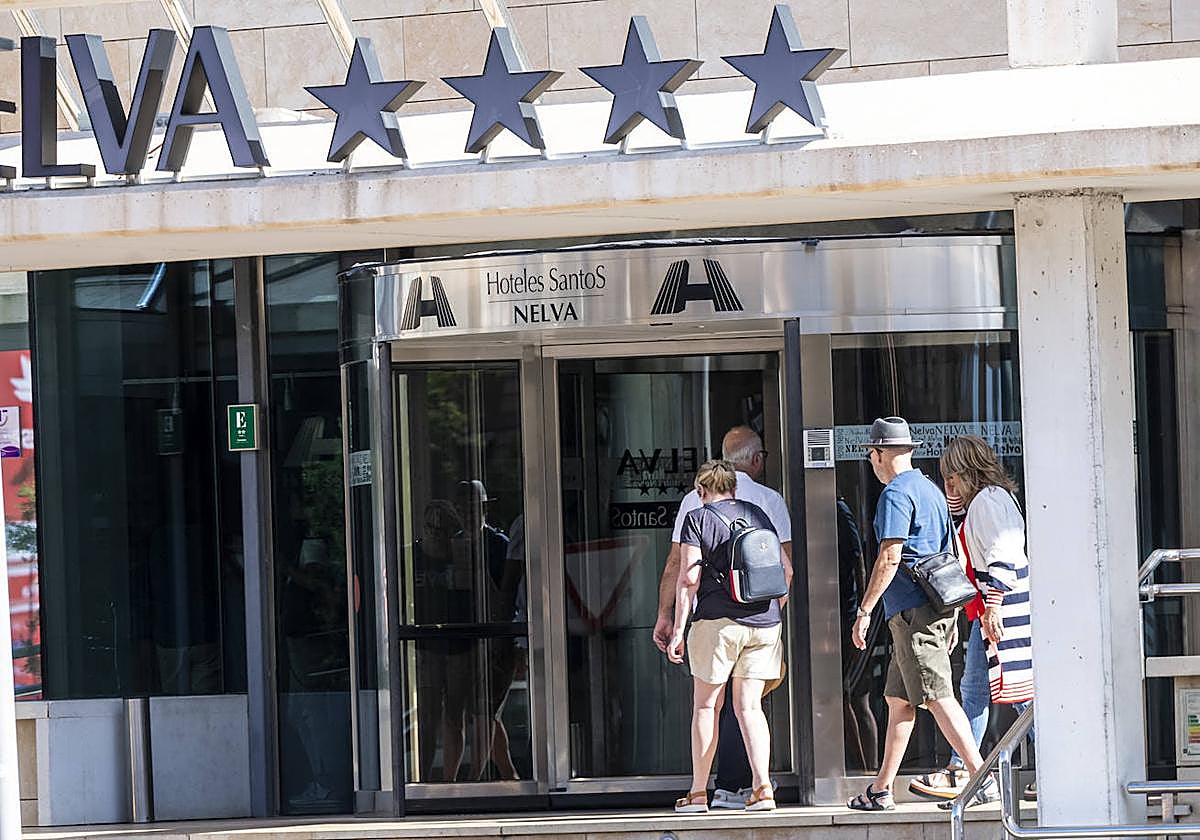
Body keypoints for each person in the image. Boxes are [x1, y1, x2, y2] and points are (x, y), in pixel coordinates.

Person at [846, 417, 998, 811]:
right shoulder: (930, 490)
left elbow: (890, 555)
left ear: (880, 454)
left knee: (936, 696)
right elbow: (953, 554)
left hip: (913, 614)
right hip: (933, 608)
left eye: (871, 454)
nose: (871, 462)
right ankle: (881, 789)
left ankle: (979, 778)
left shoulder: (896, 494)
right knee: (900, 702)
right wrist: (951, 617)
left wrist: (864, 610)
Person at [652, 426, 792, 809]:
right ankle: (763, 789)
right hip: (764, 624)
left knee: (706, 706)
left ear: (702, 490)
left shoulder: (698, 517)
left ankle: (698, 792)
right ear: (734, 484)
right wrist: (769, 614)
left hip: (717, 624)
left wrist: (677, 627)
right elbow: (787, 573)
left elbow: (687, 576)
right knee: (749, 707)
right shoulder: (761, 511)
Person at [908, 435, 1035, 802]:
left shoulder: (987, 503)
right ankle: (963, 767)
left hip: (1000, 605)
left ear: (970, 473)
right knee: (979, 686)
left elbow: (1001, 555)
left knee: (1017, 690)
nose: (949, 485)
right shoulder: (991, 499)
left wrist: (992, 605)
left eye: (953, 477)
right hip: (996, 605)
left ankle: (970, 768)